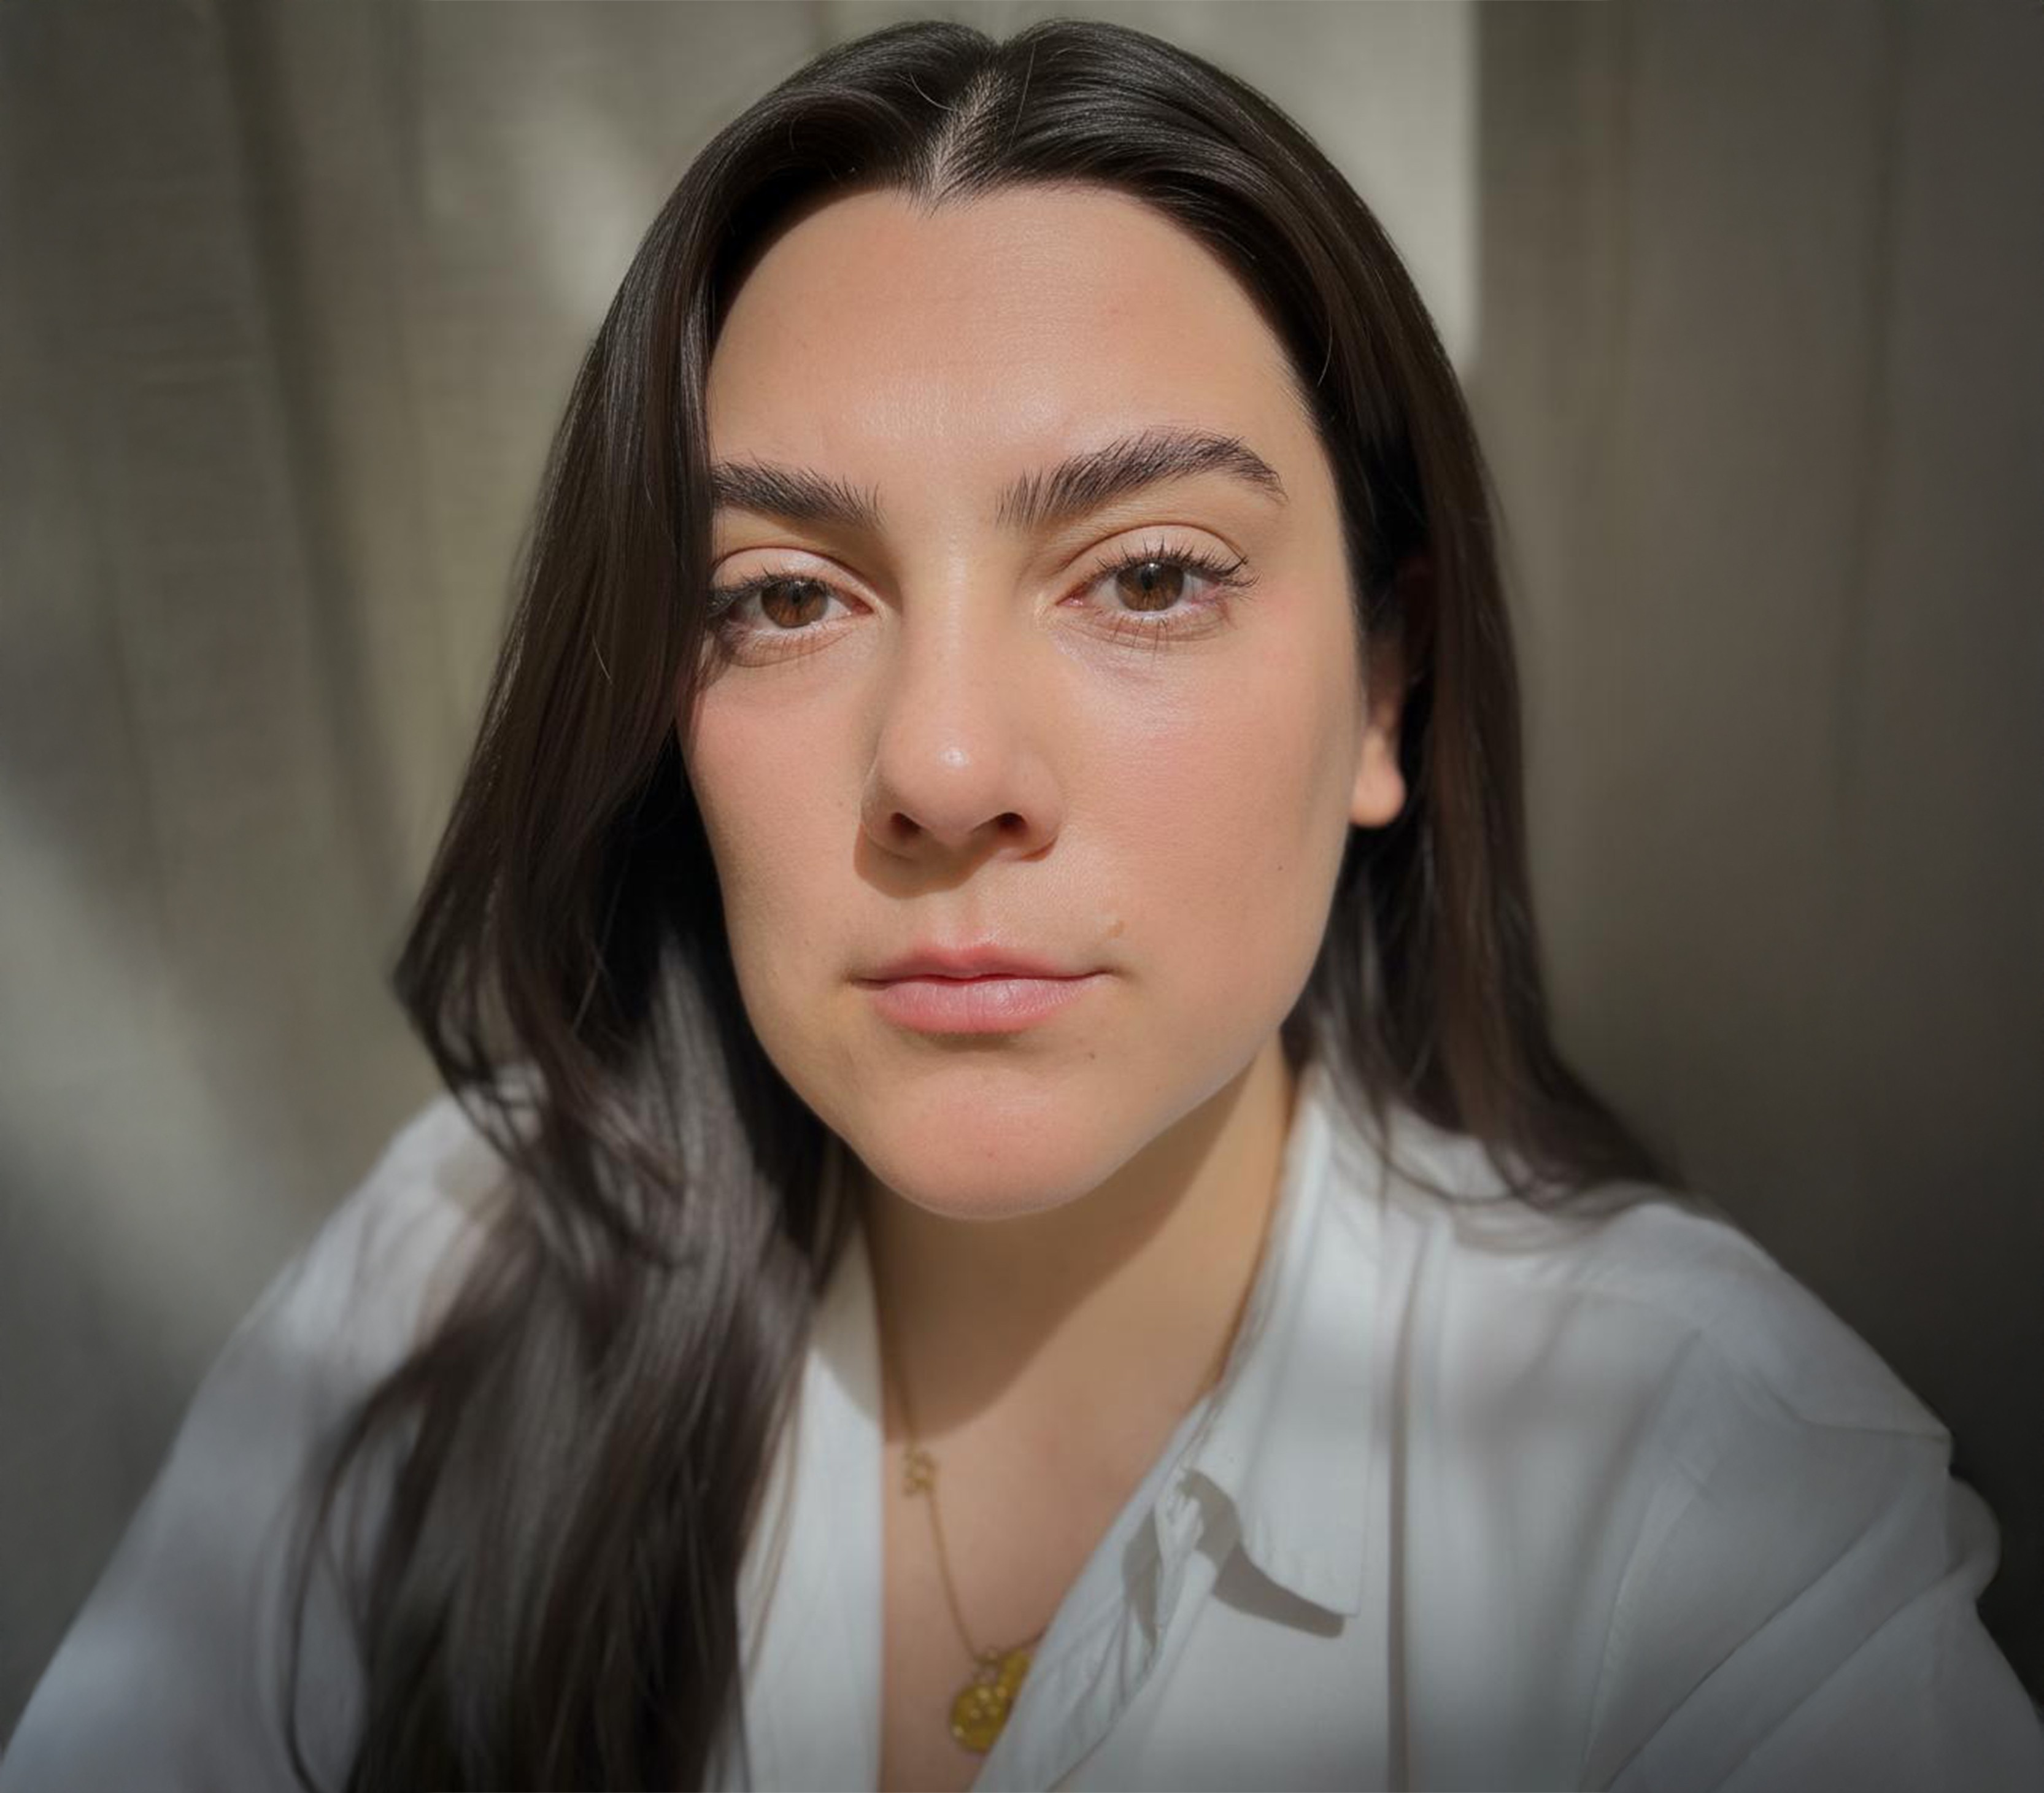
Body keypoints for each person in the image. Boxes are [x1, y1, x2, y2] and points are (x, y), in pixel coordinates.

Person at [4, 16, 2040, 1792]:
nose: (946, 764)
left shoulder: (1700, 1500)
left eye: (1146, 575)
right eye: (780, 598)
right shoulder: (460, 1265)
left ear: (1386, 689)